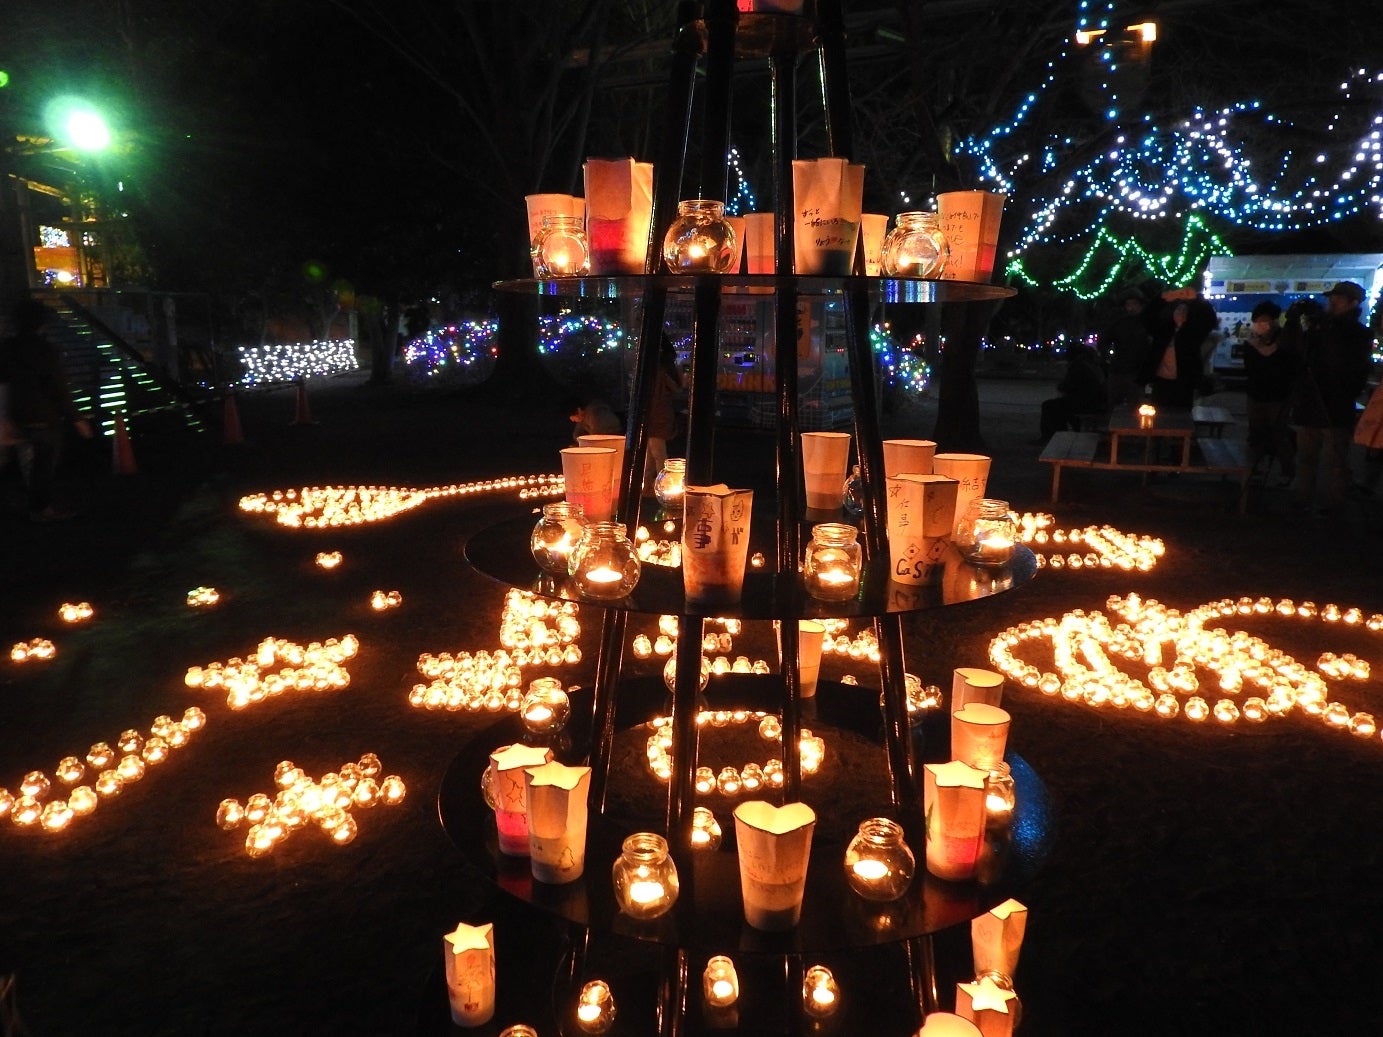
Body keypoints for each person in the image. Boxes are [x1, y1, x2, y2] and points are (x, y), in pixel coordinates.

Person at [1283, 282, 1372, 516]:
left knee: (1336, 460)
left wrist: (1323, 328)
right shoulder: (1320, 327)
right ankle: (1302, 497)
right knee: (1306, 456)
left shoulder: (1358, 333)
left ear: (1353, 302)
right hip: (1311, 400)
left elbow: (1342, 363)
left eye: (1339, 298)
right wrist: (1295, 323)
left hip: (1335, 404)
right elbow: (1296, 352)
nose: (1333, 302)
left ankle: (1336, 503)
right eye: (1332, 297)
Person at [0, 298, 94, 520]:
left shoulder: (7, 348)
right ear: (41, 323)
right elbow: (58, 387)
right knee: (43, 464)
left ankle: (31, 504)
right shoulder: (46, 350)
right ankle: (41, 508)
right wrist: (76, 418)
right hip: (42, 416)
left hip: (14, 413)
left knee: (23, 462)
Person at [1241, 300, 1299, 484]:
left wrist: (1266, 350)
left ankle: (1287, 471)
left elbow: (1287, 368)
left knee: (1279, 434)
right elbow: (1250, 368)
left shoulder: (1285, 342)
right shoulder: (1251, 344)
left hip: (1278, 397)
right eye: (1258, 321)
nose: (1261, 325)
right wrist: (1258, 348)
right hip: (1256, 394)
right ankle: (1255, 468)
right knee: (1256, 433)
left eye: (1265, 321)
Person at [1142, 291, 1218, 409]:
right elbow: (1147, 316)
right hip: (1161, 381)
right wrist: (1164, 297)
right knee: (1159, 416)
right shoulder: (1163, 331)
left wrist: (1195, 297)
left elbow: (1209, 319)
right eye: (1178, 310)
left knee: (1181, 417)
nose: (1181, 313)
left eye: (1184, 311)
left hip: (1184, 381)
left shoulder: (1193, 333)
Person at [1037, 341, 1108, 442]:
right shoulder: (1092, 364)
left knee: (1049, 406)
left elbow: (1067, 386)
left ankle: (1054, 437)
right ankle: (1060, 435)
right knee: (1060, 406)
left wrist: (1061, 385)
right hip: (1094, 401)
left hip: (1087, 403)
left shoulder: (1080, 366)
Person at [642, 337, 685, 493]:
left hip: (653, 415)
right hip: (660, 414)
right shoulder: (665, 368)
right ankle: (653, 485)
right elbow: (677, 388)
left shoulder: (651, 368)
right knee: (654, 453)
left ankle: (659, 486)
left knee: (655, 453)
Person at [1102, 288, 1152, 408]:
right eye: (1128, 304)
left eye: (1134, 304)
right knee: (1114, 405)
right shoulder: (1119, 322)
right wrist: (1108, 359)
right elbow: (1104, 341)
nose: (1131, 307)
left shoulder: (1147, 322)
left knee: (1135, 406)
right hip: (1119, 370)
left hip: (1136, 371)